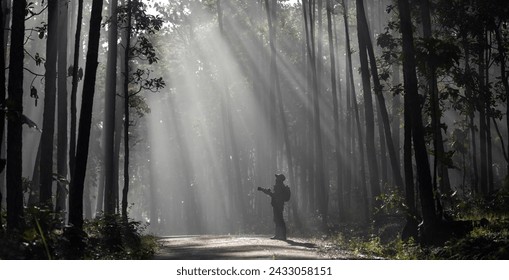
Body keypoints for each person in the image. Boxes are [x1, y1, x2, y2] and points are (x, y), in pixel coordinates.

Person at [258, 174, 288, 240]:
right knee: (278, 220)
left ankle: (281, 235)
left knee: (279, 220)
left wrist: (265, 191)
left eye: (277, 178)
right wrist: (266, 191)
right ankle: (280, 235)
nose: (276, 179)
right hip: (278, 205)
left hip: (278, 205)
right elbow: (274, 195)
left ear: (279, 179)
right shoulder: (280, 186)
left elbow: (274, 195)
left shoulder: (279, 186)